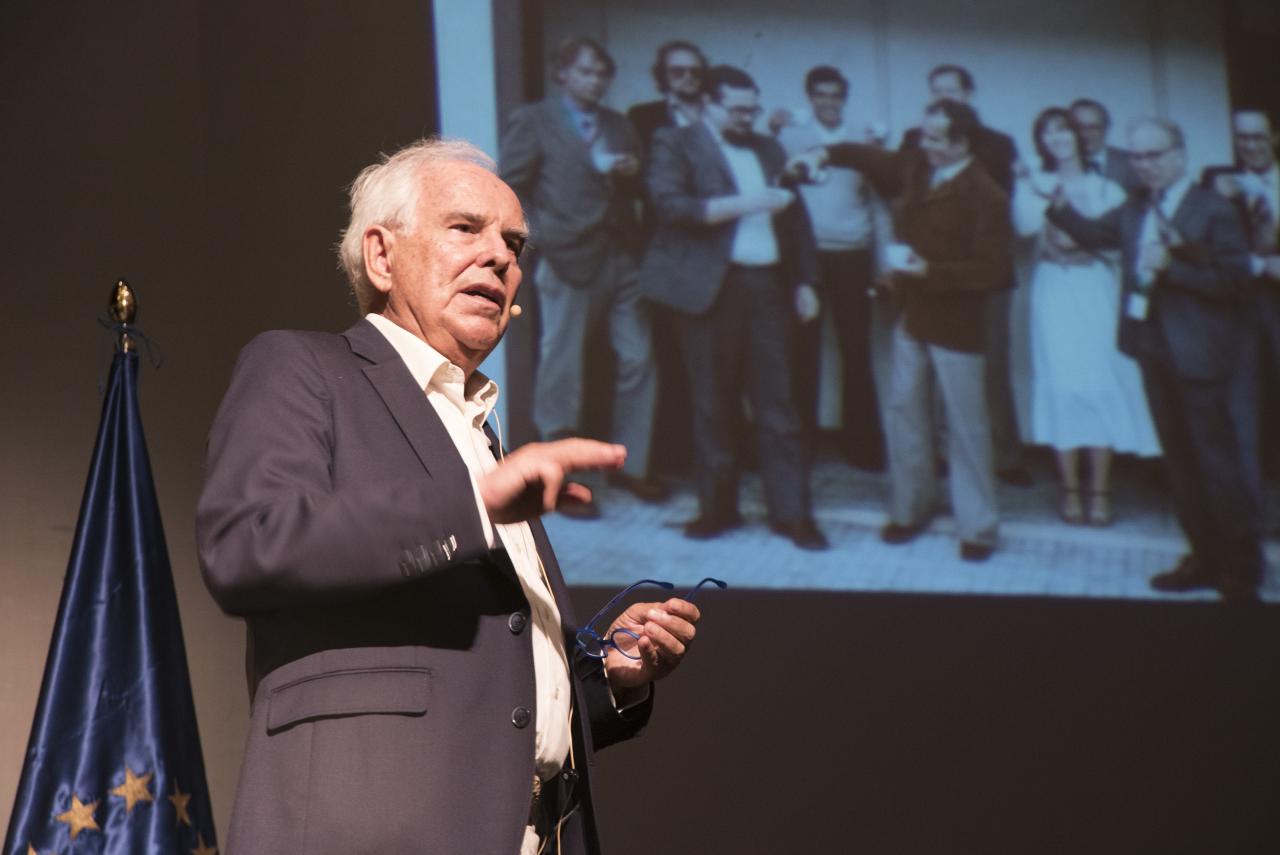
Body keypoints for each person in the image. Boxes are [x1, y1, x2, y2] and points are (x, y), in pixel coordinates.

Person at [196, 138, 704, 854]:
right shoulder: (304, 368)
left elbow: (497, 709)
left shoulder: (484, 434)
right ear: (381, 256)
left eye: (514, 242)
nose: (500, 257)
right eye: (466, 228)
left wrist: (611, 681)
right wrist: (474, 506)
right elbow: (247, 546)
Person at [789, 99, 1014, 561]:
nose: (922, 144)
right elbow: (859, 154)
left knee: (965, 429)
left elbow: (993, 271)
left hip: (958, 325)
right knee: (905, 414)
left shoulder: (986, 194)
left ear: (960, 143)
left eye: (934, 138)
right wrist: (820, 155)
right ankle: (911, 510)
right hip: (912, 317)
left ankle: (978, 528)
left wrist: (928, 270)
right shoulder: (915, 166)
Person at [1047, 118, 1262, 602]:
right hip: (1153, 350)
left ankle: (1241, 568)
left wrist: (1174, 268)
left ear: (1180, 154)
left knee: (1217, 465)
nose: (1146, 165)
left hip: (1201, 354)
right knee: (1181, 465)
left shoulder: (1214, 209)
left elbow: (1236, 280)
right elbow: (1097, 234)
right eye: (1138, 157)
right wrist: (1059, 209)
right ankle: (1203, 558)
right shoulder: (1134, 207)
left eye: (1155, 155)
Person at [639, 64, 828, 550]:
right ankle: (717, 510)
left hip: (767, 288)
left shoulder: (767, 147)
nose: (747, 118)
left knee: (779, 403)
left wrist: (806, 281)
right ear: (708, 103)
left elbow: (795, 216)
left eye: (752, 109)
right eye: (737, 110)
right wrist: (746, 203)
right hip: (708, 292)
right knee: (711, 405)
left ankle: (793, 514)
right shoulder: (674, 142)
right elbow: (670, 206)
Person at [500, 37, 665, 519]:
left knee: (638, 358)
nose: (596, 81)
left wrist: (631, 172)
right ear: (563, 73)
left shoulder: (618, 123)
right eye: (587, 72)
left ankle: (633, 466)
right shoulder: (534, 121)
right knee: (563, 366)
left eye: (602, 74)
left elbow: (635, 184)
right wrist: (545, 237)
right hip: (568, 258)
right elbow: (509, 189)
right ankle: (560, 478)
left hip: (622, 257)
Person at [1012, 107, 1161, 526]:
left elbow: (1116, 245)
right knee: (1062, 385)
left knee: (1098, 384)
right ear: (1040, 142)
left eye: (1064, 131)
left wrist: (1081, 238)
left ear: (1079, 138)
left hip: (1093, 291)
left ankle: (1100, 491)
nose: (1057, 139)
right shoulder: (1036, 182)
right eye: (1047, 133)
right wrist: (1025, 184)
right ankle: (1070, 489)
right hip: (1053, 291)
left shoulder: (1107, 188)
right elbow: (1024, 229)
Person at [899, 64, 1030, 486]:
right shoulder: (914, 144)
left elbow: (994, 212)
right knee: (930, 373)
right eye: (937, 92)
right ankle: (939, 453)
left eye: (953, 92)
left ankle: (1006, 456)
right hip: (931, 275)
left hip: (982, 275)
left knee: (989, 367)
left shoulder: (995, 145)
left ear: (970, 94)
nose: (946, 99)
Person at [774, 64, 888, 471]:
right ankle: (800, 444)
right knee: (801, 352)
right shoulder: (791, 139)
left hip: (852, 256)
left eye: (835, 95)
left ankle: (862, 446)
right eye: (820, 94)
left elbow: (877, 206)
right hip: (807, 258)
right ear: (810, 98)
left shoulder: (863, 142)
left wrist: (880, 264)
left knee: (856, 351)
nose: (827, 102)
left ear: (845, 99)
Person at [1203, 109, 1280, 492]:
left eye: (1258, 137)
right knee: (1243, 408)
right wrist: (1258, 264)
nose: (1250, 146)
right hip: (1238, 311)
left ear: (1275, 137)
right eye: (1242, 138)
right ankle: (1251, 509)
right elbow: (1209, 246)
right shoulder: (1218, 183)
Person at [627, 40, 708, 153]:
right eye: (678, 71)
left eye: (696, 72)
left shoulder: (717, 111)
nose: (688, 77)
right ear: (662, 75)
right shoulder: (641, 115)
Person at [1068, 97, 1143, 196]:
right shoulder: (1059, 166)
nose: (1085, 134)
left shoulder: (1131, 163)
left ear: (1106, 128)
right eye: (1079, 127)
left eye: (1094, 128)